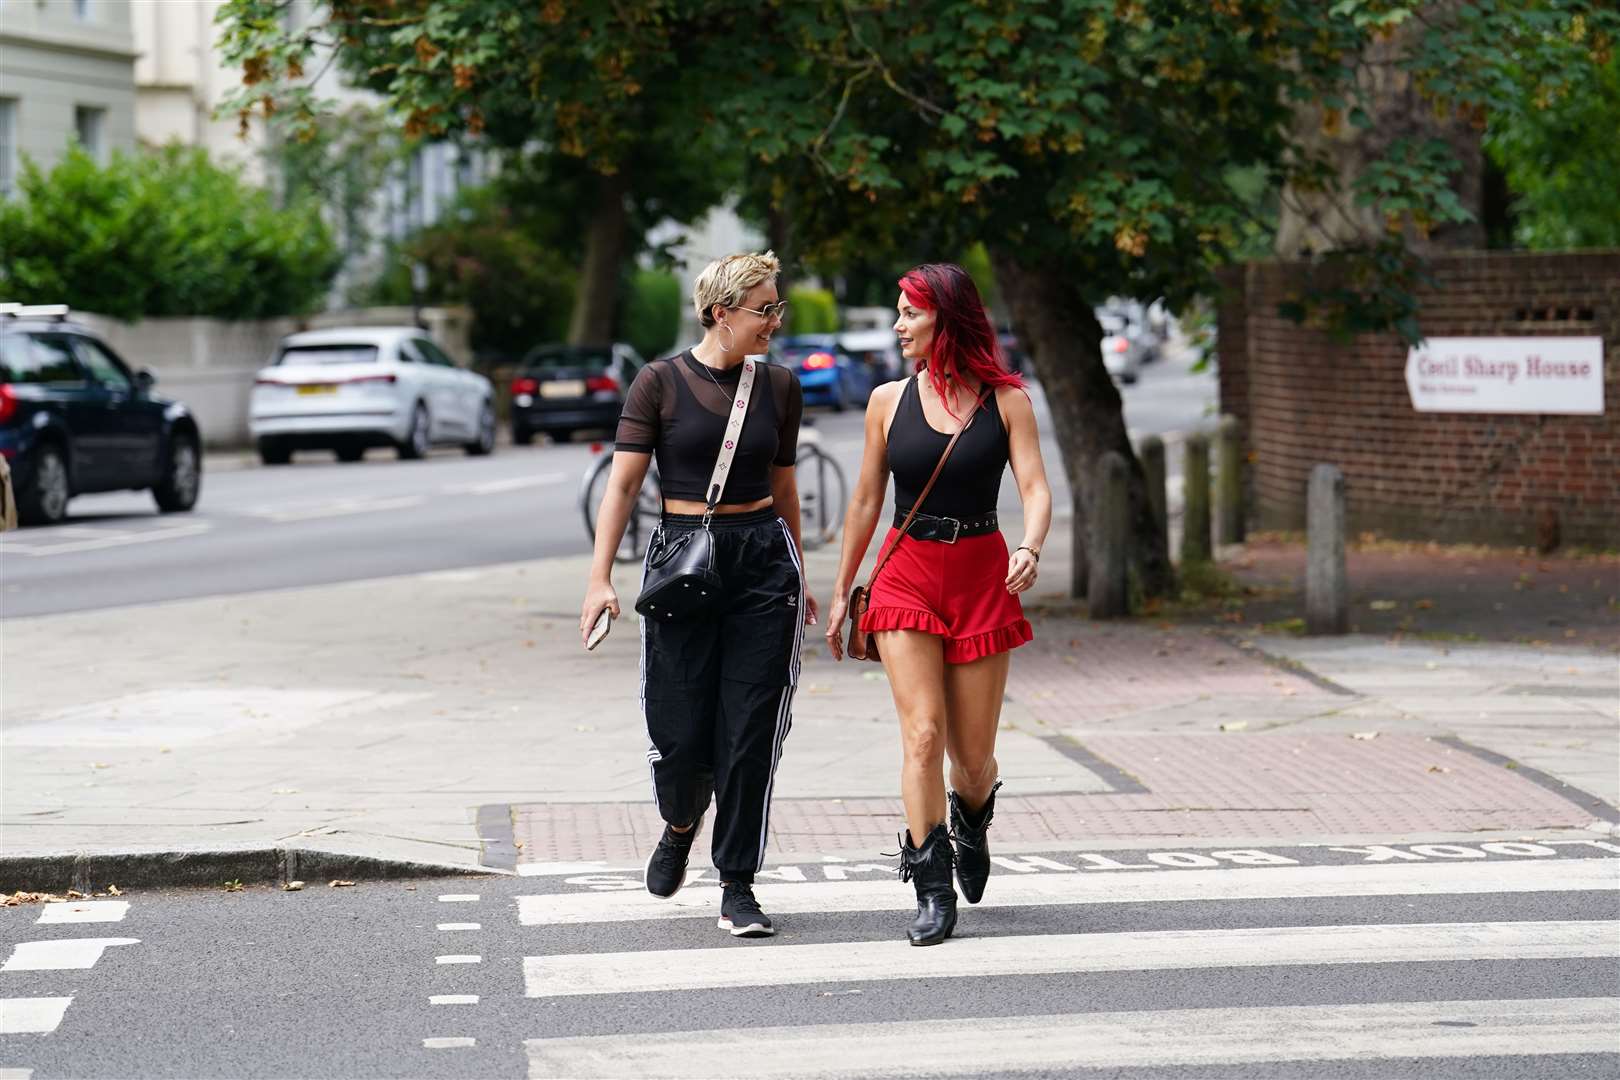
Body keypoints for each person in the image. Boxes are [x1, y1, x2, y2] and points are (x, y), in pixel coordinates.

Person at [580, 250, 817, 939]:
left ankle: (737, 884)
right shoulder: (658, 383)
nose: (776, 319)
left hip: (763, 567)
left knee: (749, 733)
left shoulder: (779, 387)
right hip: (683, 561)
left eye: (777, 306)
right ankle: (681, 821)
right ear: (722, 313)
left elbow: (785, 488)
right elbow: (623, 486)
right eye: (765, 308)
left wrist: (800, 574)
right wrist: (600, 580)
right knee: (678, 730)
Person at [825, 262, 1052, 946]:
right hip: (906, 574)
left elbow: (1037, 489)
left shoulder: (1006, 401)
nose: (896, 325)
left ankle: (972, 817)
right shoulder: (886, 402)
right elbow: (866, 500)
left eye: (908, 313)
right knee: (922, 733)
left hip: (982, 573)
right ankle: (929, 880)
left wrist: (1031, 547)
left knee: (973, 758)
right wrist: (842, 592)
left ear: (945, 319)